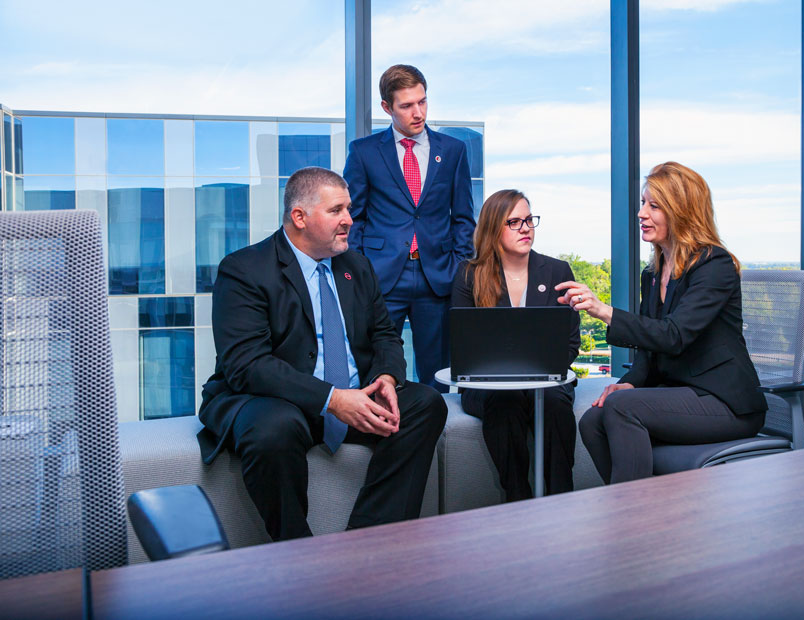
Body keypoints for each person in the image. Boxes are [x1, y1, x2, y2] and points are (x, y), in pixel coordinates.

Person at [197, 166, 447, 541]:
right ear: (299, 217)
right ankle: (298, 553)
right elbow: (246, 365)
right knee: (273, 429)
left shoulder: (357, 266)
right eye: (336, 211)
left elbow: (384, 335)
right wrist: (332, 399)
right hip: (277, 399)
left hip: (352, 392)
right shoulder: (245, 269)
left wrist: (387, 378)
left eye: (349, 209)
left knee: (425, 404)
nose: (349, 220)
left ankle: (367, 542)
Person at [556, 162, 767, 485]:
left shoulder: (715, 265)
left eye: (654, 206)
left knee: (624, 409)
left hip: (726, 403)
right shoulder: (654, 273)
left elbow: (674, 335)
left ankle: (636, 521)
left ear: (682, 211)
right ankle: (650, 507)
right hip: (681, 392)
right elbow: (650, 348)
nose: (641, 213)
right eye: (643, 203)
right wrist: (632, 382)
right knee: (592, 420)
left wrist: (604, 311)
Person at [344, 64, 475, 392]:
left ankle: (439, 439)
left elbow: (463, 218)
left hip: (437, 277)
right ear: (387, 108)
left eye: (423, 101)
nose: (418, 112)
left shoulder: (454, 150)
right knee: (379, 368)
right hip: (382, 277)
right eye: (406, 105)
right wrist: (362, 268)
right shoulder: (364, 152)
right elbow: (352, 217)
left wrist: (458, 267)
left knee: (438, 374)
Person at [451, 189, 580, 501]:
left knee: (551, 401)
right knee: (504, 403)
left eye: (529, 220)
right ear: (494, 228)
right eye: (514, 222)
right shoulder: (469, 274)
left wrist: (545, 370)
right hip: (488, 386)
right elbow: (461, 342)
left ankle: (562, 500)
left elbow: (570, 340)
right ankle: (518, 500)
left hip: (546, 379)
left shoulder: (557, 271)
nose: (526, 228)